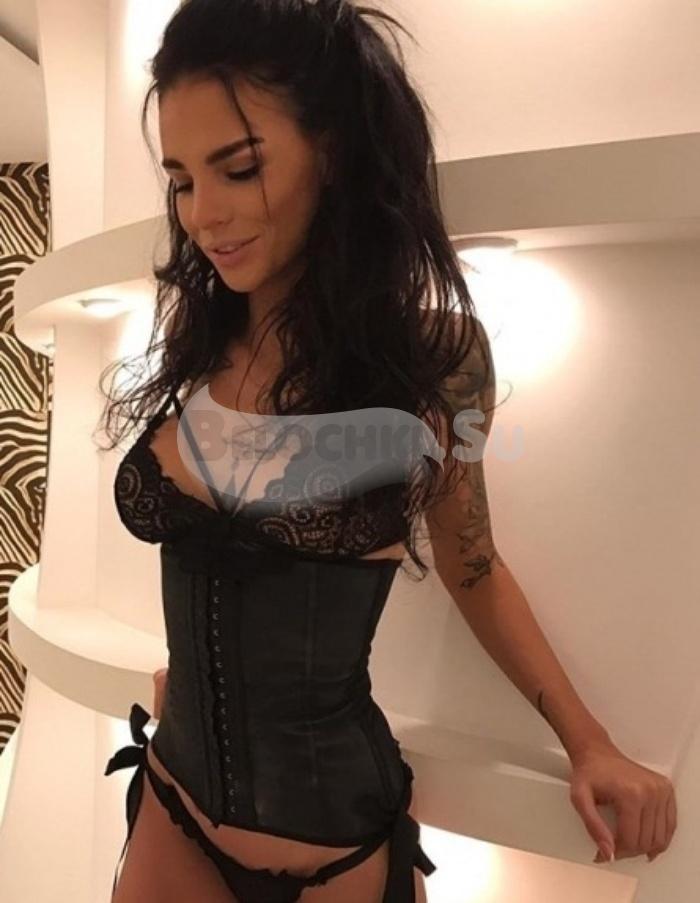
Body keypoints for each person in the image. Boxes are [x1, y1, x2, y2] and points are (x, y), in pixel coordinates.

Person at [98, 1, 497, 901]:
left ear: (335, 151)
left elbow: (475, 565)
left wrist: (587, 741)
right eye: (181, 181)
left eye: (238, 168)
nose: (203, 215)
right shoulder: (197, 343)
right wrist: (192, 677)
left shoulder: (439, 360)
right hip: (172, 803)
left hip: (335, 850)